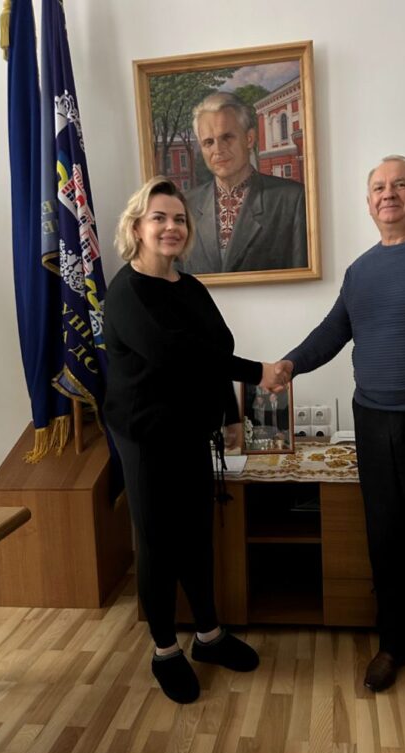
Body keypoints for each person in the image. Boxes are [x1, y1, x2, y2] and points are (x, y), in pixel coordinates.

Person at [273, 155, 405, 717]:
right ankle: (394, 644)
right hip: (372, 422)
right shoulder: (361, 271)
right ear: (368, 201)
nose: (388, 193)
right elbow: (333, 331)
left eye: (400, 185)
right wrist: (290, 364)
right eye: (378, 187)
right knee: (386, 539)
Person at [103, 176, 285, 704]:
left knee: (197, 537)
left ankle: (208, 636)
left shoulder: (191, 287)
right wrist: (258, 372)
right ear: (137, 227)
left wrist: (229, 414)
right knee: (158, 544)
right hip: (145, 437)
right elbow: (177, 355)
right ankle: (165, 650)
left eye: (179, 219)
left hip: (188, 432)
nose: (171, 227)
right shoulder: (126, 293)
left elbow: (213, 353)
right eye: (159, 217)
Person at [180, 91, 308, 275]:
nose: (218, 150)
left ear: (249, 139)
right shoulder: (186, 205)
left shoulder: (292, 199)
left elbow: (303, 279)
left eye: (227, 137)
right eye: (208, 142)